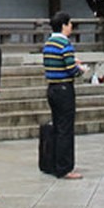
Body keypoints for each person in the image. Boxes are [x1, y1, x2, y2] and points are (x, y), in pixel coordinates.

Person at [43, 10, 87, 180]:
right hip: (64, 88)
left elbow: (54, 62)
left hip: (52, 88)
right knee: (65, 129)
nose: (71, 27)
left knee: (57, 126)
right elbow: (71, 69)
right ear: (63, 25)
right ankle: (65, 167)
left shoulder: (49, 43)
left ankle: (54, 164)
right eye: (69, 24)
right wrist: (80, 70)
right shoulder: (65, 44)